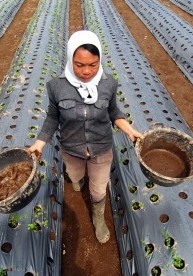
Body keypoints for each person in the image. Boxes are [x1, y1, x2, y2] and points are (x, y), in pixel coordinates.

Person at [28, 30, 143, 243]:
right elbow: (53, 117)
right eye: (79, 65)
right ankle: (77, 179)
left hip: (101, 148)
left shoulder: (108, 84)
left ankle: (98, 217)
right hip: (71, 148)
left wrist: (129, 130)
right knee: (75, 175)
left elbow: (113, 111)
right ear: (70, 58)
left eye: (93, 64)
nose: (87, 71)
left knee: (99, 189)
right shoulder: (56, 86)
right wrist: (39, 143)